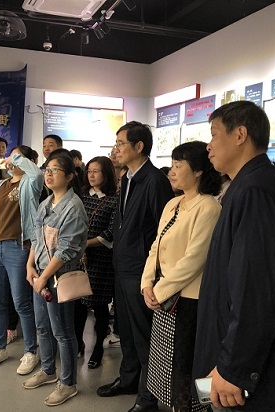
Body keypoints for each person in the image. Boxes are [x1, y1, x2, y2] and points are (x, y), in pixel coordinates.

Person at [192, 100, 275, 411]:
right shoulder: (248, 185)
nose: (209, 146)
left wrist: (235, 368)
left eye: (214, 134)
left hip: (245, 371)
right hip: (232, 354)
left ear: (240, 135)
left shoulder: (255, 190)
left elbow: (258, 288)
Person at [97, 121, 174, 412]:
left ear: (139, 146)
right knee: (126, 330)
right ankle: (128, 379)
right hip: (123, 265)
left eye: (121, 143)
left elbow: (163, 232)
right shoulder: (128, 178)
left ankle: (148, 396)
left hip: (142, 270)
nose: (116, 149)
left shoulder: (154, 180)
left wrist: (152, 274)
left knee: (144, 336)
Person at [141, 141, 222, 412]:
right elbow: (156, 247)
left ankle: (199, 407)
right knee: (168, 367)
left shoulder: (209, 207)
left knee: (189, 366)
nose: (172, 171)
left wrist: (159, 290)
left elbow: (194, 260)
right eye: (172, 165)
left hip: (190, 302)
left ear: (198, 171)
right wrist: (146, 284)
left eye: (178, 166)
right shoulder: (173, 203)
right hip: (166, 299)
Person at [23, 151, 88, 406]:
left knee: (63, 332)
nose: (48, 174)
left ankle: (68, 383)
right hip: (40, 274)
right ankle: (48, 370)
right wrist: (30, 265)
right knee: (42, 326)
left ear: (70, 176)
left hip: (58, 277)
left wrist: (43, 278)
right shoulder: (46, 202)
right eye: (46, 169)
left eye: (54, 170)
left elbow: (66, 250)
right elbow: (36, 238)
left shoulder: (73, 207)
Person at [0, 145, 43, 376]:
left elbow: (37, 173)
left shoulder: (30, 183)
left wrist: (16, 158)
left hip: (18, 246)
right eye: (10, 157)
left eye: (17, 157)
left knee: (21, 302)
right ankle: (0, 347)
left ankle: (31, 351)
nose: (10, 161)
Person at [74, 156, 118, 369]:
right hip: (78, 258)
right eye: (89, 171)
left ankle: (98, 348)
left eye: (96, 171)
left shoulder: (114, 200)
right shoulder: (82, 196)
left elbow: (110, 232)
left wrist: (85, 245)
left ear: (106, 173)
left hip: (101, 259)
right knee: (78, 304)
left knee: (99, 306)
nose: (91, 175)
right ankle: (78, 343)